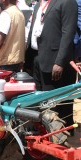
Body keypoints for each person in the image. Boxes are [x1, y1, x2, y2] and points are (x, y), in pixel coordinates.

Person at [27, 0, 77, 135]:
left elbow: (68, 33)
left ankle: (61, 135)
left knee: (58, 104)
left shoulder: (67, 2)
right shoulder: (38, 4)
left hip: (55, 61)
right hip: (37, 58)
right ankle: (45, 133)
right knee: (40, 101)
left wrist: (60, 62)